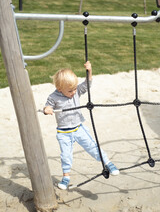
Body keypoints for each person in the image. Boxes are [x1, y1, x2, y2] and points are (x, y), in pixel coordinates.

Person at [43, 61, 119, 190]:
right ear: (60, 88)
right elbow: (48, 105)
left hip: (79, 128)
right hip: (63, 133)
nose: (74, 92)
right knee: (66, 155)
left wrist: (89, 71)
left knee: (92, 146)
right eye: (70, 90)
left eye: (74, 89)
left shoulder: (76, 91)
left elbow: (87, 84)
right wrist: (47, 109)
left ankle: (108, 163)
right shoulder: (54, 96)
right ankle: (66, 176)